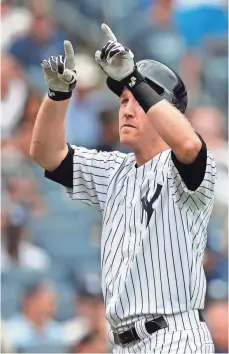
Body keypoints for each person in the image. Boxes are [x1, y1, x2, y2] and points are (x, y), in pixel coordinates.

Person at [30, 23, 216, 353]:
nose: (127, 110)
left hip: (173, 336)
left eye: (138, 101)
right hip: (122, 343)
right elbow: (47, 154)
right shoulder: (114, 170)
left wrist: (133, 78)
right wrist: (58, 96)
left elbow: (188, 145)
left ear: (164, 110)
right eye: (123, 101)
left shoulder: (186, 166)